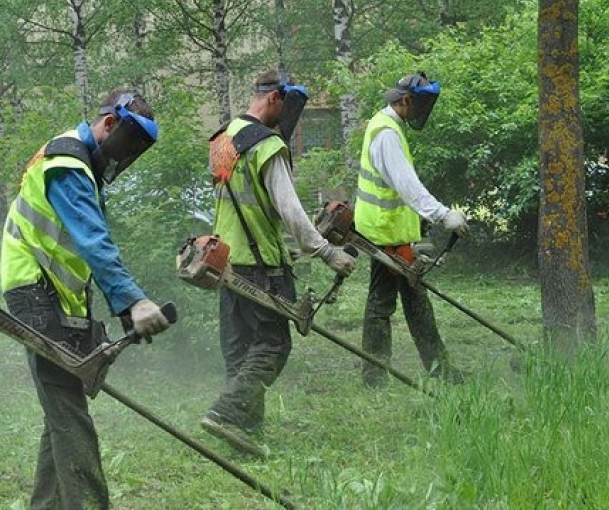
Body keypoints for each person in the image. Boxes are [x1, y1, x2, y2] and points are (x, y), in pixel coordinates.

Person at [0, 89, 171, 510]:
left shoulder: (75, 163)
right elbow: (94, 242)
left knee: (62, 412)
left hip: (50, 296)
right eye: (128, 144)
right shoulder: (69, 163)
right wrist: (134, 302)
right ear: (108, 125)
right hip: (37, 296)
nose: (126, 156)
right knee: (70, 416)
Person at [201, 70, 357, 455]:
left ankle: (245, 435)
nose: (288, 119)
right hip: (260, 263)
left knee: (239, 350)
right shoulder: (267, 145)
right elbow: (290, 209)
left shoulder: (223, 138)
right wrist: (326, 252)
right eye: (287, 108)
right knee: (272, 345)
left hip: (225, 260)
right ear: (273, 99)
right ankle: (226, 413)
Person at [354, 72, 469, 388]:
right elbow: (407, 185)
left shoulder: (388, 126)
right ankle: (375, 377)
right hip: (384, 233)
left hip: (393, 231)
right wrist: (443, 215)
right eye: (419, 105)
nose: (421, 112)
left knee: (414, 298)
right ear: (405, 100)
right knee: (382, 305)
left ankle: (438, 369)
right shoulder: (387, 133)